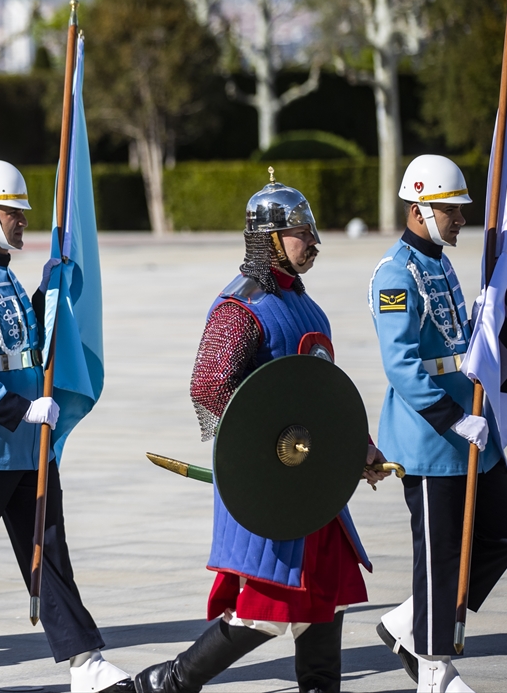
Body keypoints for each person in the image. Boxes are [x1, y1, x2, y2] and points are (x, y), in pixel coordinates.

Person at [134, 171, 389, 693]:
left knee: (325, 600)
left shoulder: (308, 306)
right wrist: (264, 450)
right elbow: (209, 387)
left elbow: (320, 399)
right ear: (269, 237)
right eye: (302, 233)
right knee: (265, 608)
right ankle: (168, 682)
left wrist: (356, 449)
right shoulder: (240, 306)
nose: (313, 243)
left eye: (311, 232)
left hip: (313, 487)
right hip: (269, 489)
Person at [0, 159, 133, 693]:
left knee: (50, 552)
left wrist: (48, 291)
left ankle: (84, 662)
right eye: (12, 212)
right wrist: (20, 410)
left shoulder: (9, 281)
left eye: (22, 212)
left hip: (29, 448)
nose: (22, 221)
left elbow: (27, 349)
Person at [369, 155, 507, 693]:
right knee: (438, 557)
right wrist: (454, 419)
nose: (461, 217)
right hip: (433, 436)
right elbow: (402, 364)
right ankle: (433, 665)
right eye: (450, 209)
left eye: (461, 208)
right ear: (418, 210)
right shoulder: (395, 274)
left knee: (506, 534)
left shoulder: (438, 261)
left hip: (474, 429)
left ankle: (409, 621)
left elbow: (454, 341)